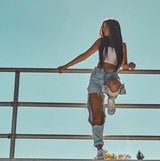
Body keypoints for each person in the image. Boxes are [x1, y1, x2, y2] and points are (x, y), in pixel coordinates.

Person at [57, 19, 136, 159]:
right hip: (97, 76)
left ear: (112, 28)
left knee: (114, 84)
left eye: (104, 26)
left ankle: (111, 98)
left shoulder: (122, 46)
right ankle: (99, 148)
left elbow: (123, 65)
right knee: (97, 114)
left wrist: (130, 65)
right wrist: (66, 66)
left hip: (111, 75)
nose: (102, 29)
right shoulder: (100, 43)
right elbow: (84, 55)